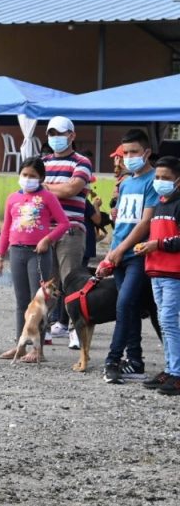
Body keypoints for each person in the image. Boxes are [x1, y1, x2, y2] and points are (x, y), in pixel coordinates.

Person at [0, 158, 70, 361]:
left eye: (33, 176)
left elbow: (64, 223)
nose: (27, 179)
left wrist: (47, 239)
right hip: (16, 252)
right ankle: (20, 345)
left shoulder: (47, 197)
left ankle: (38, 350)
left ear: (41, 178)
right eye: (24, 175)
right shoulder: (12, 198)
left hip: (38, 254)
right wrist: (0, 255)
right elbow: (6, 230)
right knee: (21, 303)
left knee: (39, 303)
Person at [97, 129, 157, 383]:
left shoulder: (154, 180)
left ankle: (112, 360)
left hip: (138, 254)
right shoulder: (126, 182)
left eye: (134, 152)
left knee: (124, 305)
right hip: (119, 254)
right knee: (129, 308)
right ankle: (135, 361)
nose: (128, 157)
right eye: (125, 153)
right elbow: (122, 223)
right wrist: (111, 252)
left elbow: (145, 223)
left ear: (146, 153)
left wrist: (121, 250)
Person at [41, 116, 92, 342]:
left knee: (72, 281)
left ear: (72, 135)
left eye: (60, 133)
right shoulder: (41, 161)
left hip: (71, 229)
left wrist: (43, 187)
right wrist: (54, 189)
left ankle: (76, 330)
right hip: (44, 231)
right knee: (46, 284)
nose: (55, 138)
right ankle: (45, 328)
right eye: (51, 134)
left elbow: (72, 189)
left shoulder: (82, 162)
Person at [135, 155, 180, 395]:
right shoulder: (160, 203)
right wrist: (146, 247)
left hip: (174, 273)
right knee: (164, 322)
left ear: (178, 180)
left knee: (170, 322)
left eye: (166, 178)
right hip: (156, 271)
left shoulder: (178, 204)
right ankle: (171, 369)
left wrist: (157, 245)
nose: (160, 181)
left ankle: (177, 372)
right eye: (158, 177)